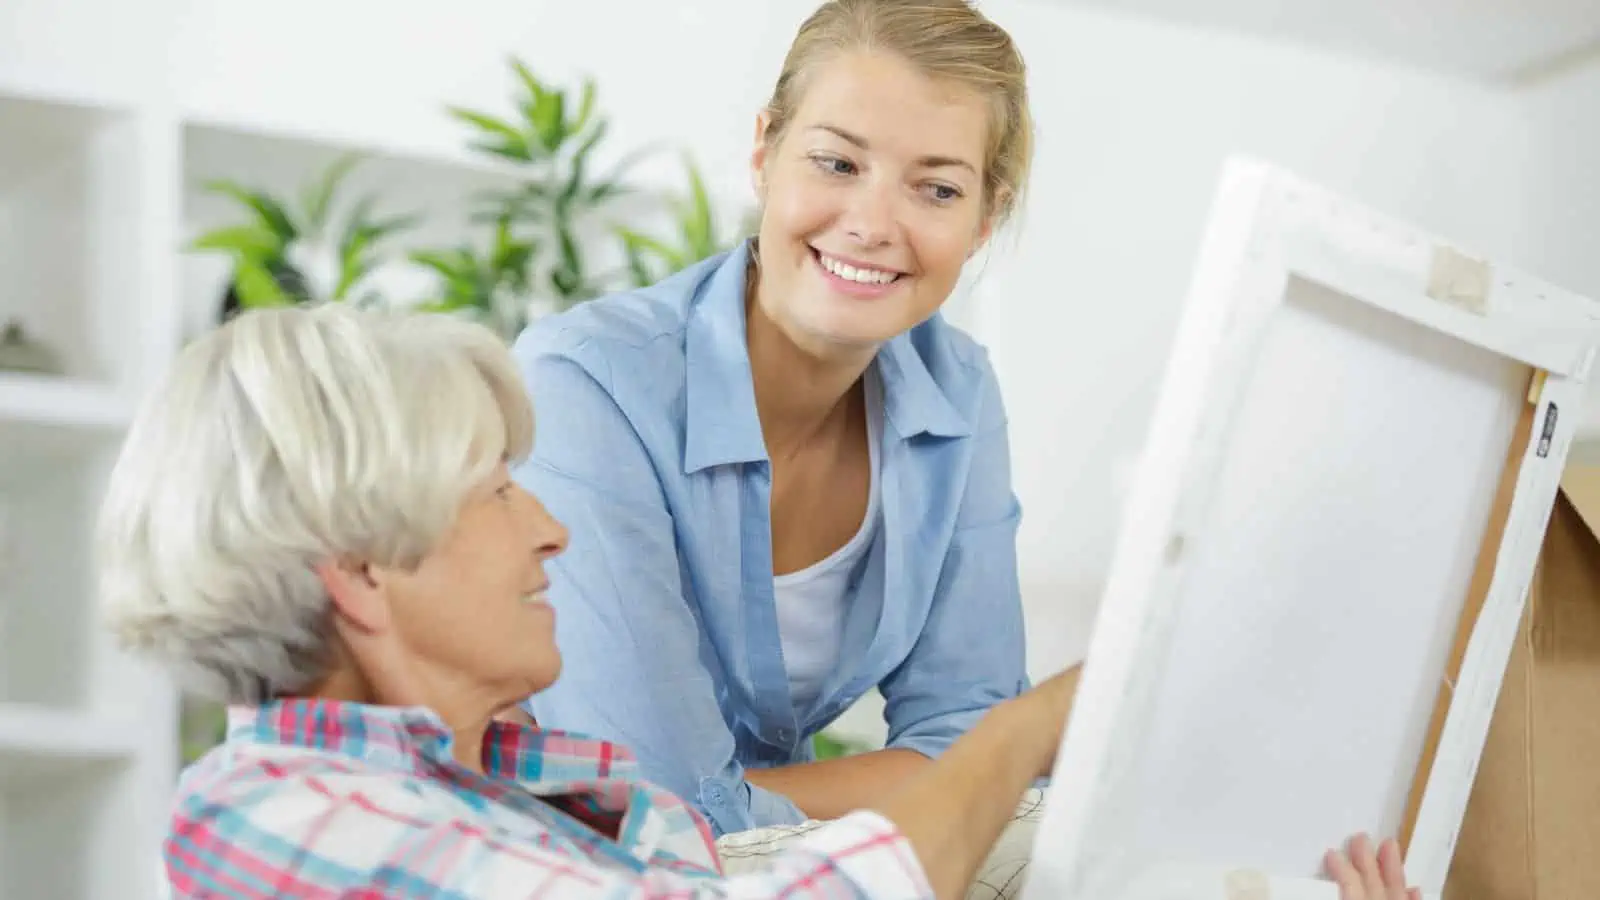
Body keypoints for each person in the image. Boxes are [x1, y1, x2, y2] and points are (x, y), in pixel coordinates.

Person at [99, 305, 1417, 900]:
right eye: (495, 490)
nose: (549, 523)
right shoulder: (268, 816)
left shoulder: (577, 797)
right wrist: (1029, 730)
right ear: (360, 572)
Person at [512, 0, 1041, 834]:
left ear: (984, 219)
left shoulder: (959, 394)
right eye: (836, 164)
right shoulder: (588, 385)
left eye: (936, 188)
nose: (871, 225)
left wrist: (737, 807)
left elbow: (977, 744)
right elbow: (657, 811)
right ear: (766, 151)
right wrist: (929, 789)